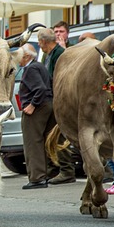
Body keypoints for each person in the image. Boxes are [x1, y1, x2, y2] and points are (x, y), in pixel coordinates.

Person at [39, 26, 76, 185]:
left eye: (40, 43)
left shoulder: (59, 54)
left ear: (43, 42)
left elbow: (58, 78)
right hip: (53, 99)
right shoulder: (49, 55)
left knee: (60, 135)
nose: (39, 46)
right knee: (53, 135)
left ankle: (67, 171)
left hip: (60, 99)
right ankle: (56, 168)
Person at [18, 43, 55, 189]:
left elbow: (40, 88)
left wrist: (32, 105)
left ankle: (37, 178)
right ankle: (44, 175)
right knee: (44, 141)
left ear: (26, 56)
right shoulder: (39, 66)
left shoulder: (31, 68)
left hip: (38, 107)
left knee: (33, 142)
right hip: (48, 104)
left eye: (19, 55)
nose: (17, 59)